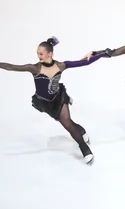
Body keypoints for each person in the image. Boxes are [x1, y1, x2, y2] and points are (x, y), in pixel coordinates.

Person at [0, 37, 107, 165]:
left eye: (41, 53)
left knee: (66, 123)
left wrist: (102, 53)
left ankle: (85, 149)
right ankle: (81, 130)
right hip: (44, 103)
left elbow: (84, 63)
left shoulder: (60, 66)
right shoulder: (35, 68)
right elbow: (12, 67)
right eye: (37, 53)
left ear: (49, 53)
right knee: (66, 121)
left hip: (59, 98)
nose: (38, 56)